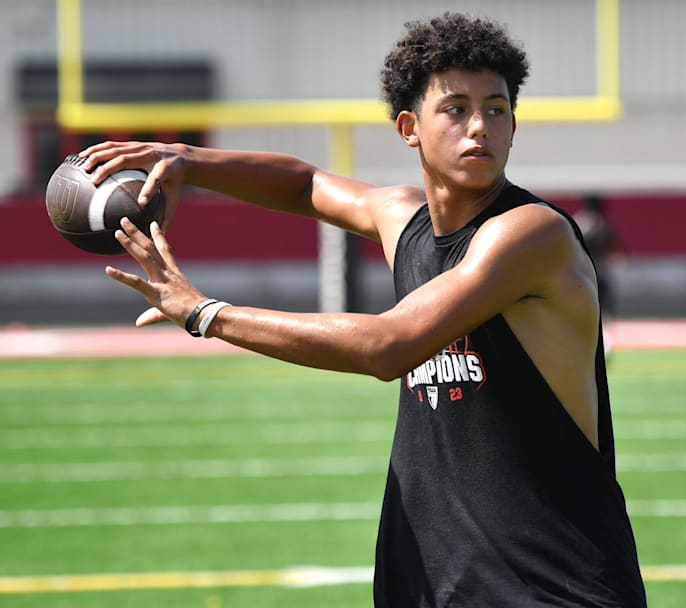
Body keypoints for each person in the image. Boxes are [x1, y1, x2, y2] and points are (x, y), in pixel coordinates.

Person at [80, 13, 647, 607]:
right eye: (455, 108)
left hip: (553, 587)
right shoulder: (403, 219)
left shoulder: (529, 234)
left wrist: (204, 313)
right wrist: (188, 157)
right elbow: (305, 185)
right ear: (410, 127)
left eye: (497, 108)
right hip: (437, 582)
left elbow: (387, 346)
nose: (480, 125)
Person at [573, 193, 622, 356]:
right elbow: (615, 252)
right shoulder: (603, 225)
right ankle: (604, 348)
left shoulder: (576, 222)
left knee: (581, 313)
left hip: (580, 274)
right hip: (600, 274)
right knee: (604, 314)